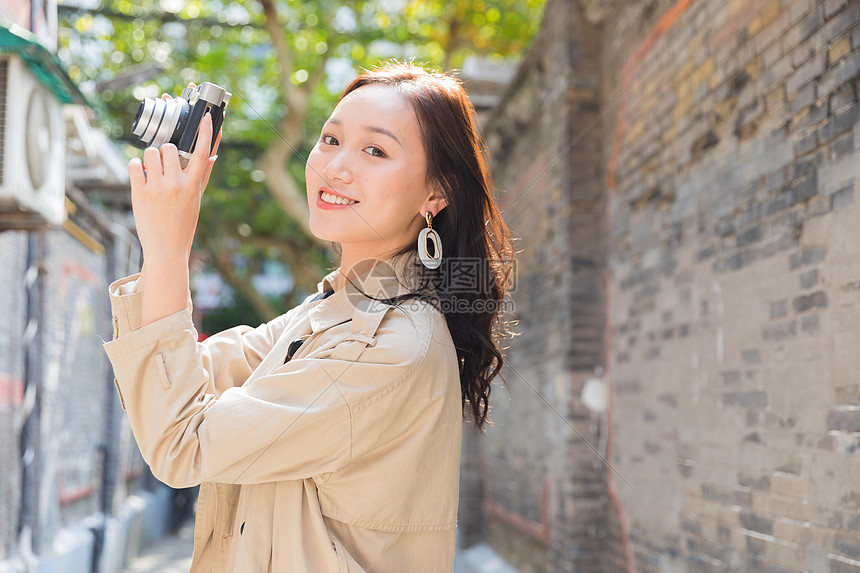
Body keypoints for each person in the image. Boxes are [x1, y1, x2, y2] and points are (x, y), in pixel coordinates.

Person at [103, 61, 515, 572]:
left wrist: (167, 251)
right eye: (329, 139)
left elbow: (182, 443)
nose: (335, 167)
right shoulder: (335, 310)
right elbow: (176, 381)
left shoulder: (392, 345)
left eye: (375, 150)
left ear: (437, 192)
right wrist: (164, 243)